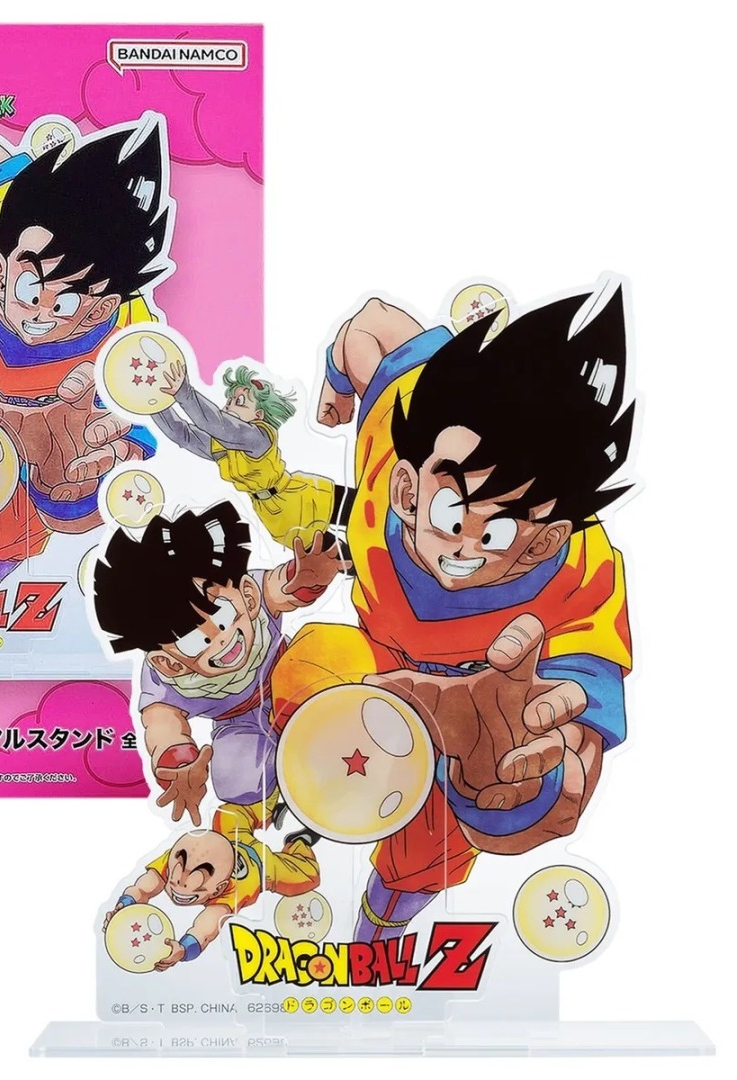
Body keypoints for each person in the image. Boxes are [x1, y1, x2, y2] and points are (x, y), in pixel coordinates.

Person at [272, 282, 634, 942]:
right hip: (377, 669)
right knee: (313, 666)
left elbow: (581, 698)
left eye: (498, 533)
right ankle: (282, 809)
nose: (466, 546)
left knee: (436, 846)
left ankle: (376, 939)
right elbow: (374, 323)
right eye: (451, 511)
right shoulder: (399, 429)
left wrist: (531, 771)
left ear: (545, 541)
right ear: (408, 489)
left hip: (478, 717)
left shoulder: (579, 570)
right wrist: (337, 382)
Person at [0, 114, 173, 595]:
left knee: (20, 530)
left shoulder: (127, 343)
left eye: (65, 303)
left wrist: (123, 444)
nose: (42, 311)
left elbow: (142, 411)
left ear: (99, 308)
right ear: (0, 274)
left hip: (49, 439)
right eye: (30, 288)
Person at [93, 502, 347, 824]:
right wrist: (180, 763)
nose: (221, 639)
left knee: (328, 648)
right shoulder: (164, 679)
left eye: (224, 616)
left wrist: (305, 578)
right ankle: (287, 783)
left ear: (248, 597)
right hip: (240, 722)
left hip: (296, 673)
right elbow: (162, 724)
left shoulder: (253, 591)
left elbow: (282, 588)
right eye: (194, 641)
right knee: (234, 780)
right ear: (169, 663)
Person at [153, 360, 352, 549]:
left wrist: (184, 393)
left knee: (365, 511)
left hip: (302, 495)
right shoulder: (221, 446)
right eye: (229, 400)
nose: (228, 405)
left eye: (239, 401)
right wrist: (154, 404)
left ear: (258, 415)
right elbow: (183, 435)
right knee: (345, 559)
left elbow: (218, 425)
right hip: (277, 515)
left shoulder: (259, 436)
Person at [103, 800, 320, 970]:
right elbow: (144, 887)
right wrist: (125, 904)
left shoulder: (229, 892)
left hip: (265, 866)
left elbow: (205, 929)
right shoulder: (176, 859)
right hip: (230, 835)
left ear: (219, 888)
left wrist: (185, 949)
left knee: (308, 875)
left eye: (194, 887)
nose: (178, 886)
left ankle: (298, 841)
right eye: (174, 880)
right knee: (228, 812)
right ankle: (272, 811)